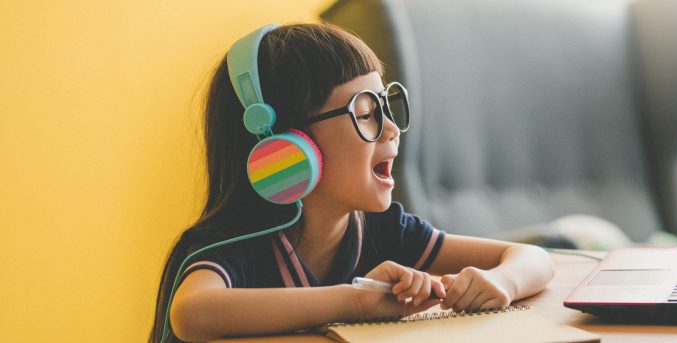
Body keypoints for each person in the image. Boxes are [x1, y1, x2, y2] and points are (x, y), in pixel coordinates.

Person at [149, 23, 555, 342]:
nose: (392, 128)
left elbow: (532, 258)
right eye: (365, 113)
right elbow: (192, 313)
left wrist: (501, 282)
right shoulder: (233, 241)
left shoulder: (383, 230)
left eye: (387, 106)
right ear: (287, 147)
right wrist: (356, 303)